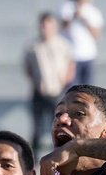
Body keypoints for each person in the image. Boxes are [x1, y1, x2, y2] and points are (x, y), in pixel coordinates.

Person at [25, 12, 75, 150]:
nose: (45, 29)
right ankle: (34, 158)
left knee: (61, 125)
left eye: (48, 26)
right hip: (40, 90)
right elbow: (27, 67)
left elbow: (71, 64)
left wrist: (65, 81)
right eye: (43, 26)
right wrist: (36, 82)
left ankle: (61, 152)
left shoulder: (62, 45)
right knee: (37, 127)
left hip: (57, 91)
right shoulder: (33, 46)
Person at [60, 0, 103, 86]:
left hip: (88, 55)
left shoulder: (93, 11)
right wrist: (74, 16)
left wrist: (84, 19)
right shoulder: (67, 7)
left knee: (88, 89)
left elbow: (97, 35)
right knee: (72, 88)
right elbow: (63, 27)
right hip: (71, 56)